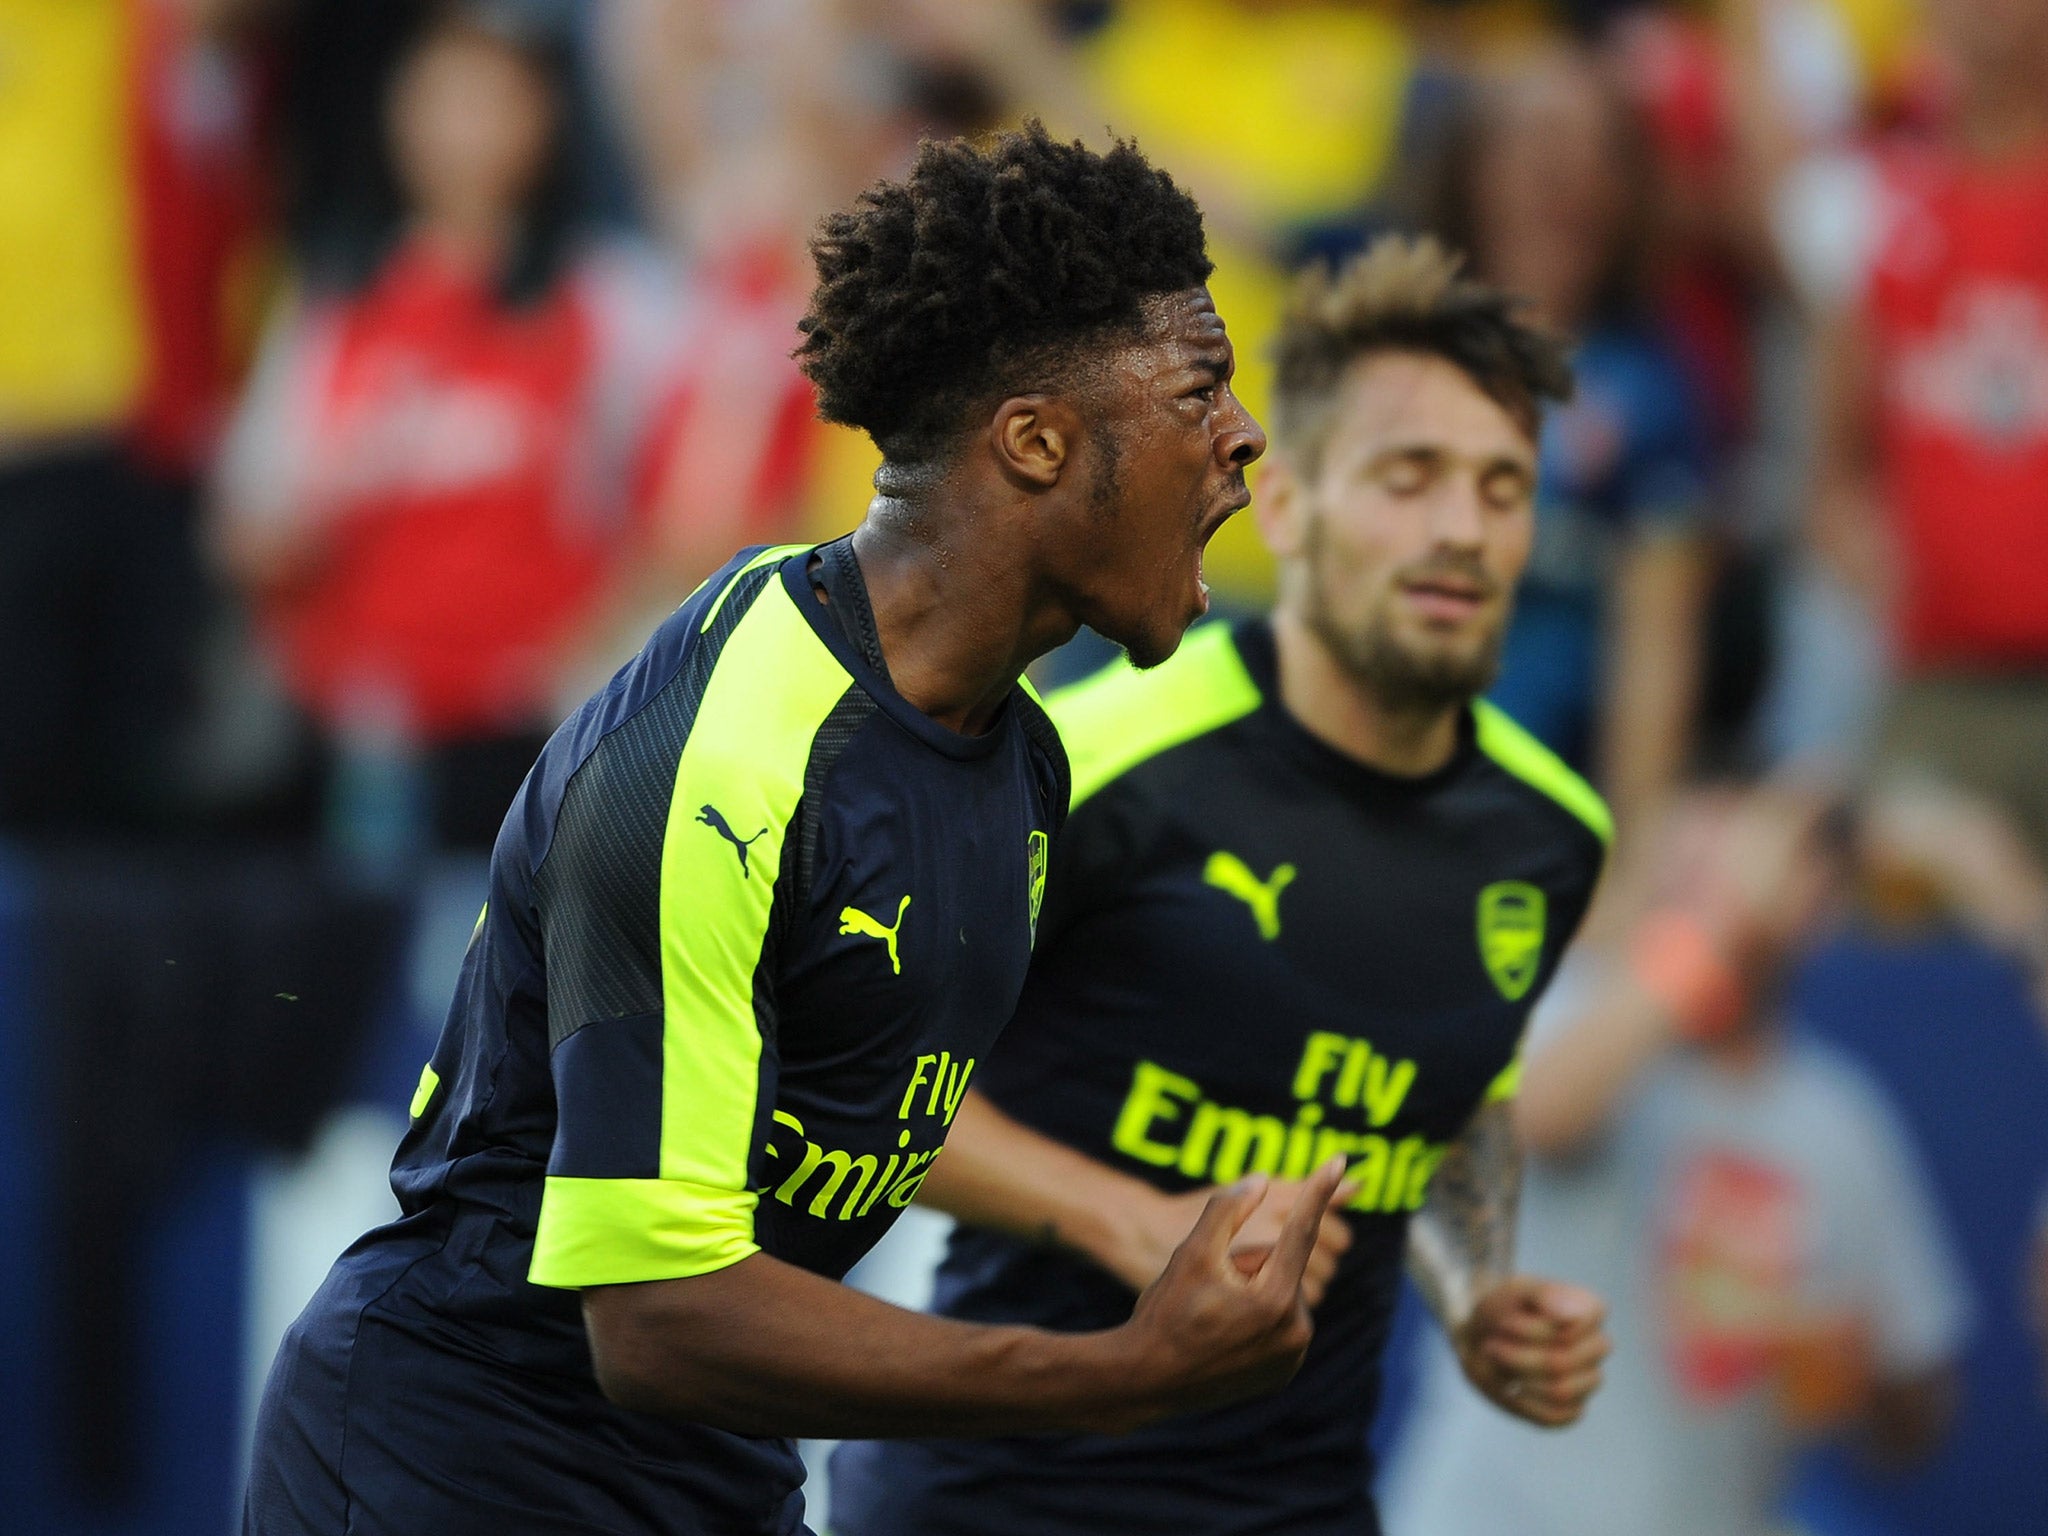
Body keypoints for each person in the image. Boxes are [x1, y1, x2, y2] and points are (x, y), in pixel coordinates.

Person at [241, 122, 1352, 1536]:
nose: (1245, 439)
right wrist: (1119, 1376)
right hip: (454, 1461)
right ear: (1034, 441)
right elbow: (655, 1316)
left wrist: (1116, 1215)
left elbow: (822, 1090)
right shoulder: (721, 758)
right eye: (1202, 389)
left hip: (719, 1474)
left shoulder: (1017, 758)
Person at [829, 236, 1613, 1536]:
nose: (1460, 531)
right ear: (1288, 503)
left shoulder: (1553, 831)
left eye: (1501, 487)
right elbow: (847, 1071)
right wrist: (1125, 1218)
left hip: (1301, 1505)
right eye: (1408, 478)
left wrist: (1475, 1290)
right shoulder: (1098, 756)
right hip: (995, 1495)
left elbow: (1458, 1097)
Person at [1383, 786, 1972, 1536]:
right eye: (1691, 880)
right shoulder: (1561, 1015)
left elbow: (1920, 1410)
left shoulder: (1842, 1124)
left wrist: (1868, 1383)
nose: (1722, 903)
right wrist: (1725, 926)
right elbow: (1544, 1115)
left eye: (1740, 877)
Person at [213, 3, 679, 856]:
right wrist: (302, 525)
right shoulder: (333, 309)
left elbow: (685, 506)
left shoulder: (610, 300)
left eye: (493, 99)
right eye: (441, 97)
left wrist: (590, 662)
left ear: (545, 117)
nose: (464, 131)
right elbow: (248, 524)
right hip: (366, 736)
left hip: (541, 729)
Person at [1416, 41, 1717, 836]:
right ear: (1470, 170)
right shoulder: (1386, 362)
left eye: (1592, 153)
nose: (1560, 177)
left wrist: (1628, 860)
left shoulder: (1654, 394)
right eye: (1531, 144)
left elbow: (1658, 648)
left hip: (1548, 820)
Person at [1802, 0, 2048, 863]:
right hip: (1941, 683)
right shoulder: (1879, 210)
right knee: (1911, 927)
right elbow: (1833, 472)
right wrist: (1880, 567)